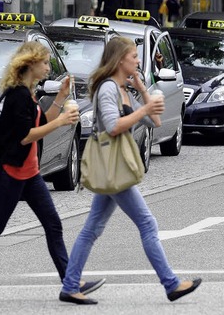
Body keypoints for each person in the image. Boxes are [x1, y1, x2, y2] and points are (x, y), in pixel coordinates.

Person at [0, 41, 105, 303]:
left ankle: (70, 284)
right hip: (15, 172)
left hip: (30, 173)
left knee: (53, 224)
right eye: (44, 63)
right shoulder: (17, 96)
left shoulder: (27, 94)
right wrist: (63, 121)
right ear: (30, 64)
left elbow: (43, 121)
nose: (47, 67)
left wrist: (62, 98)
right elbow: (24, 137)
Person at [59, 37, 202, 305]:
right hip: (114, 165)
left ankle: (69, 284)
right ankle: (171, 283)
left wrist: (143, 92)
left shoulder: (124, 90)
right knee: (146, 223)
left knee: (92, 227)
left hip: (116, 167)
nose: (138, 61)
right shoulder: (108, 89)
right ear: (120, 59)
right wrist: (144, 108)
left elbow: (155, 121)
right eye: (134, 56)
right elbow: (113, 126)